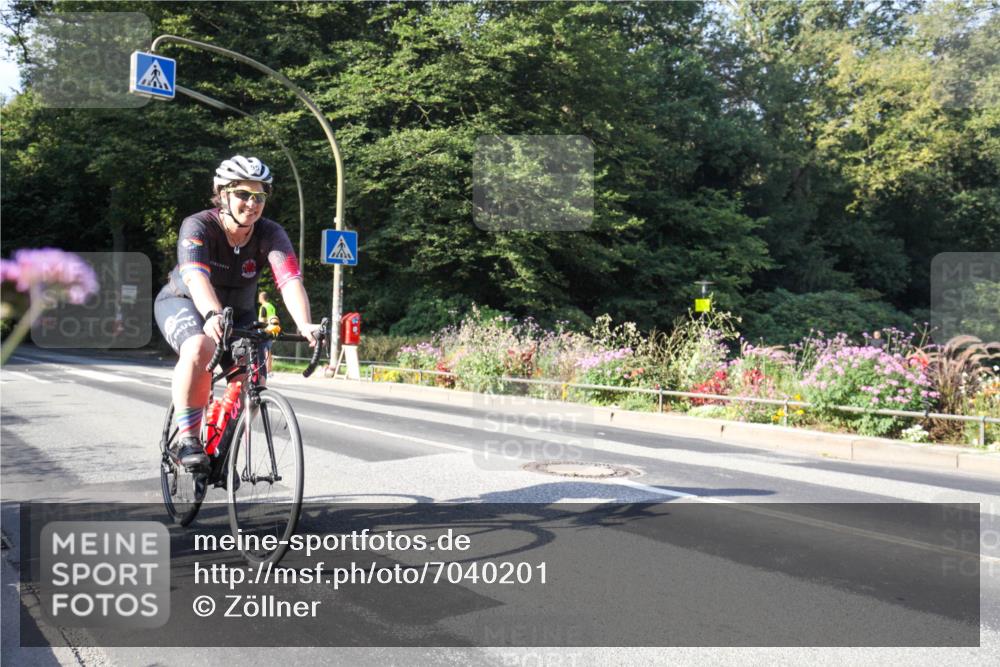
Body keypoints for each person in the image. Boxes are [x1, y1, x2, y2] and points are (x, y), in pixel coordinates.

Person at [154, 155, 322, 470]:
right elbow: (195, 277)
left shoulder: (270, 234)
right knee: (199, 347)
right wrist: (212, 314)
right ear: (224, 194)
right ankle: (188, 439)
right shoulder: (200, 225)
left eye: (259, 196)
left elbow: (289, 280)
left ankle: (223, 445)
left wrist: (304, 323)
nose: (252, 203)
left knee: (254, 376)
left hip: (240, 313)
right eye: (244, 194)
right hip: (186, 302)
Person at [258, 290, 279, 374]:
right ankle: (269, 370)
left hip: (266, 329)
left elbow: (263, 319)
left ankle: (264, 370)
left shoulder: (263, 307)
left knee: (264, 350)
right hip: (273, 328)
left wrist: (260, 329)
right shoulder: (271, 306)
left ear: (261, 298)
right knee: (269, 350)